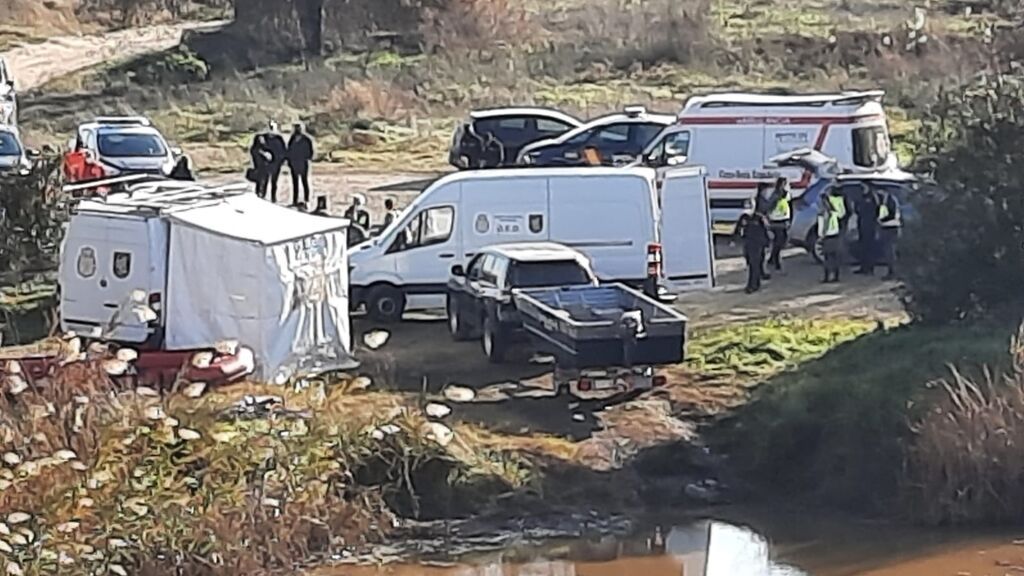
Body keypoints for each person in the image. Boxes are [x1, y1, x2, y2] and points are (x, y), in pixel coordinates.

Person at [738, 209, 770, 294]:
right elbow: (739, 230)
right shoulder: (744, 218)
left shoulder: (759, 218)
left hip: (757, 244)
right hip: (748, 244)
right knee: (752, 264)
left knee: (754, 265)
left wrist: (766, 243)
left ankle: (752, 285)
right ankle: (756, 283)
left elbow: (766, 230)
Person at [818, 188, 844, 283]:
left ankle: (827, 277)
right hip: (835, 235)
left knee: (827, 258)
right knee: (834, 258)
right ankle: (836, 276)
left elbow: (825, 225)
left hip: (828, 237)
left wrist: (822, 236)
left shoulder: (825, 213)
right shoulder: (834, 212)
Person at [767, 177, 792, 272]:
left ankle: (772, 258)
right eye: (784, 184)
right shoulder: (776, 194)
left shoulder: (785, 194)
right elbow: (770, 206)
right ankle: (775, 260)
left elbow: (788, 201)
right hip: (776, 220)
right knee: (779, 241)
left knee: (781, 241)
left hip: (783, 219)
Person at [854, 184, 880, 275]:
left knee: (869, 248)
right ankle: (863, 267)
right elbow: (857, 209)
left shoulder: (872, 198)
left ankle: (870, 268)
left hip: (870, 226)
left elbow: (876, 210)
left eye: (864, 187)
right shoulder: (861, 197)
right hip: (862, 225)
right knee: (862, 247)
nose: (862, 189)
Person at [877, 188, 902, 280]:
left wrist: (881, 220)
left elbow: (892, 214)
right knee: (888, 251)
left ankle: (894, 272)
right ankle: (891, 271)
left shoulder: (891, 200)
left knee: (891, 251)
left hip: (891, 227)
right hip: (885, 227)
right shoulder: (884, 200)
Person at [287, 122, 314, 206]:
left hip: (303, 163)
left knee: (304, 182)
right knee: (295, 183)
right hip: (294, 164)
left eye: (298, 128)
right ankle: (295, 200)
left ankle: (307, 200)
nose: (297, 129)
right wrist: (289, 161)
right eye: (295, 128)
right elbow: (289, 151)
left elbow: (310, 152)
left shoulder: (307, 139)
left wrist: (305, 159)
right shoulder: (292, 139)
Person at [264, 121, 288, 203]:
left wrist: (282, 161)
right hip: (265, 164)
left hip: (276, 163)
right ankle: (262, 196)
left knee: (274, 182)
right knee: (264, 181)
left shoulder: (279, 139)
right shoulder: (263, 138)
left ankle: (273, 198)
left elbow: (283, 151)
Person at [249, 134, 272, 198]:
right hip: (259, 167)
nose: (262, 141)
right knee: (260, 181)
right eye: (260, 139)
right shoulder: (256, 149)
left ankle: (262, 194)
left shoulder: (265, 148)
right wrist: (264, 154)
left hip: (265, 167)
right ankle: (259, 194)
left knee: (264, 181)